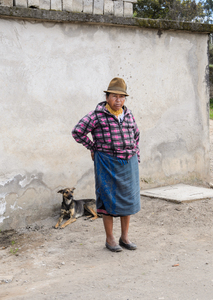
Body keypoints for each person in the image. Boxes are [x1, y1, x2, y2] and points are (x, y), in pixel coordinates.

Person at [72, 77, 141, 252]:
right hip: (107, 163)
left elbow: (136, 135)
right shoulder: (97, 115)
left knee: (128, 199)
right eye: (114, 96)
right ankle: (110, 239)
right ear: (107, 97)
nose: (118, 100)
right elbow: (77, 132)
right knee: (107, 199)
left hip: (128, 162)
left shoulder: (128, 114)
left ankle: (124, 237)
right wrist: (93, 147)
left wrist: (136, 155)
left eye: (122, 97)